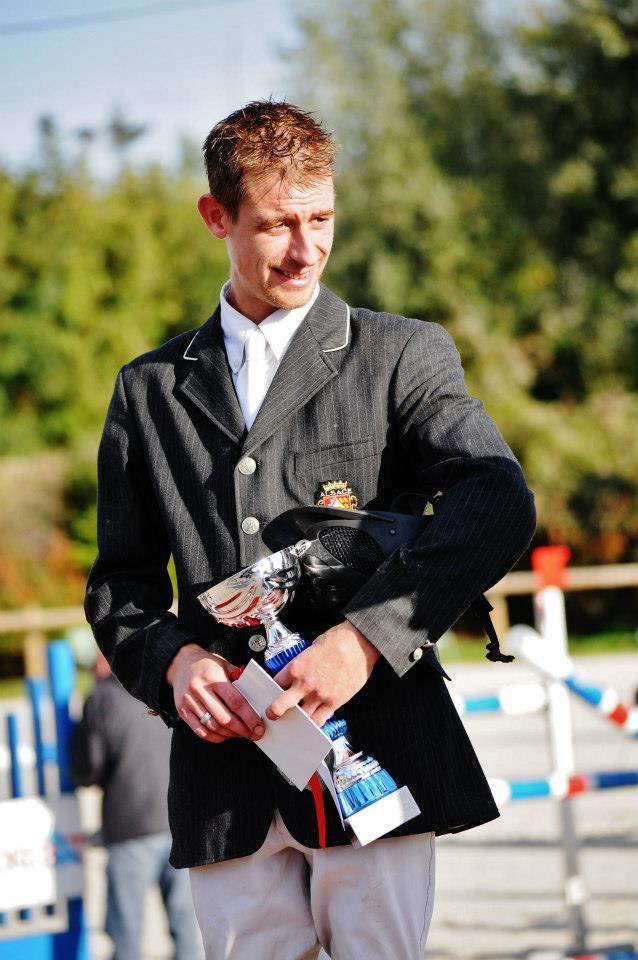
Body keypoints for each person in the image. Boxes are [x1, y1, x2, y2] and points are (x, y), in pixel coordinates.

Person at [85, 100, 536, 960]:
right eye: (276, 225)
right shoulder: (146, 390)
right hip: (223, 784)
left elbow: (499, 498)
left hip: (378, 756)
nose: (305, 250)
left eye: (321, 219)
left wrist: (366, 640)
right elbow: (120, 583)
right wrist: (174, 664)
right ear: (216, 216)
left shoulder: (401, 353)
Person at [70, 653, 200, 960]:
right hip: (176, 820)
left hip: (129, 826)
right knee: (185, 926)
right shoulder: (161, 689)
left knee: (126, 932)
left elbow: (89, 769)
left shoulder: (101, 699)